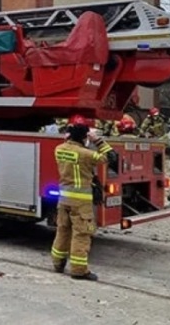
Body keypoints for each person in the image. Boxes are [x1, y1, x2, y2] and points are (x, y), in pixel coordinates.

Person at [50, 115, 118, 281]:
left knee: (62, 230)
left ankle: (58, 263)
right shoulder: (86, 154)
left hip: (63, 200)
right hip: (80, 203)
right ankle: (79, 270)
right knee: (81, 235)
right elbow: (112, 157)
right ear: (84, 137)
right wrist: (97, 140)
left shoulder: (59, 149)